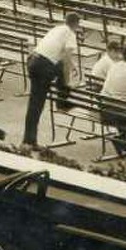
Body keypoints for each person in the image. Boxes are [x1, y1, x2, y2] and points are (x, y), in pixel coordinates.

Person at [22, 11, 82, 148]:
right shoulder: (71, 34)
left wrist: (74, 66)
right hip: (44, 65)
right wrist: (67, 83)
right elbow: (65, 60)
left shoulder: (57, 29)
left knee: (34, 103)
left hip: (33, 60)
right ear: (76, 24)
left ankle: (28, 139)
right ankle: (62, 102)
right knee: (37, 104)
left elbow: (58, 54)